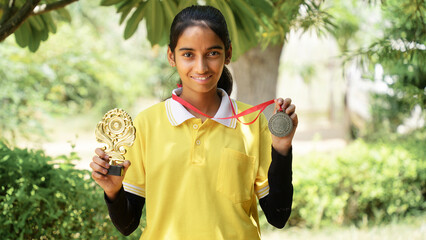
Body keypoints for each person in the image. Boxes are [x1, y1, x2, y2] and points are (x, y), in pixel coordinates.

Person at [90, 5, 298, 240]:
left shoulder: (252, 123)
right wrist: (113, 190)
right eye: (188, 54)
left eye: (212, 53)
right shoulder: (147, 124)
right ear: (172, 56)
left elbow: (278, 216)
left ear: (227, 53)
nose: (201, 67)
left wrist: (281, 148)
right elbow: (127, 225)